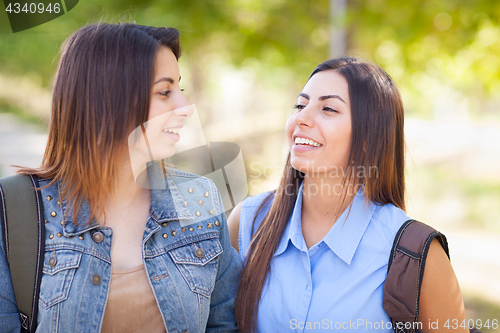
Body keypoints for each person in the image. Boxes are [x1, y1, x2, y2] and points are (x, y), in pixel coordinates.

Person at [0, 23, 240, 332]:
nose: (184, 106)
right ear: (108, 99)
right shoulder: (15, 209)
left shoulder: (199, 196)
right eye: (165, 91)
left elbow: (224, 323)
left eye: (180, 88)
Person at [228, 57, 469, 332]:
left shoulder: (415, 255)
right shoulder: (247, 222)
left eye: (328, 109)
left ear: (369, 137)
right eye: (300, 104)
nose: (301, 118)